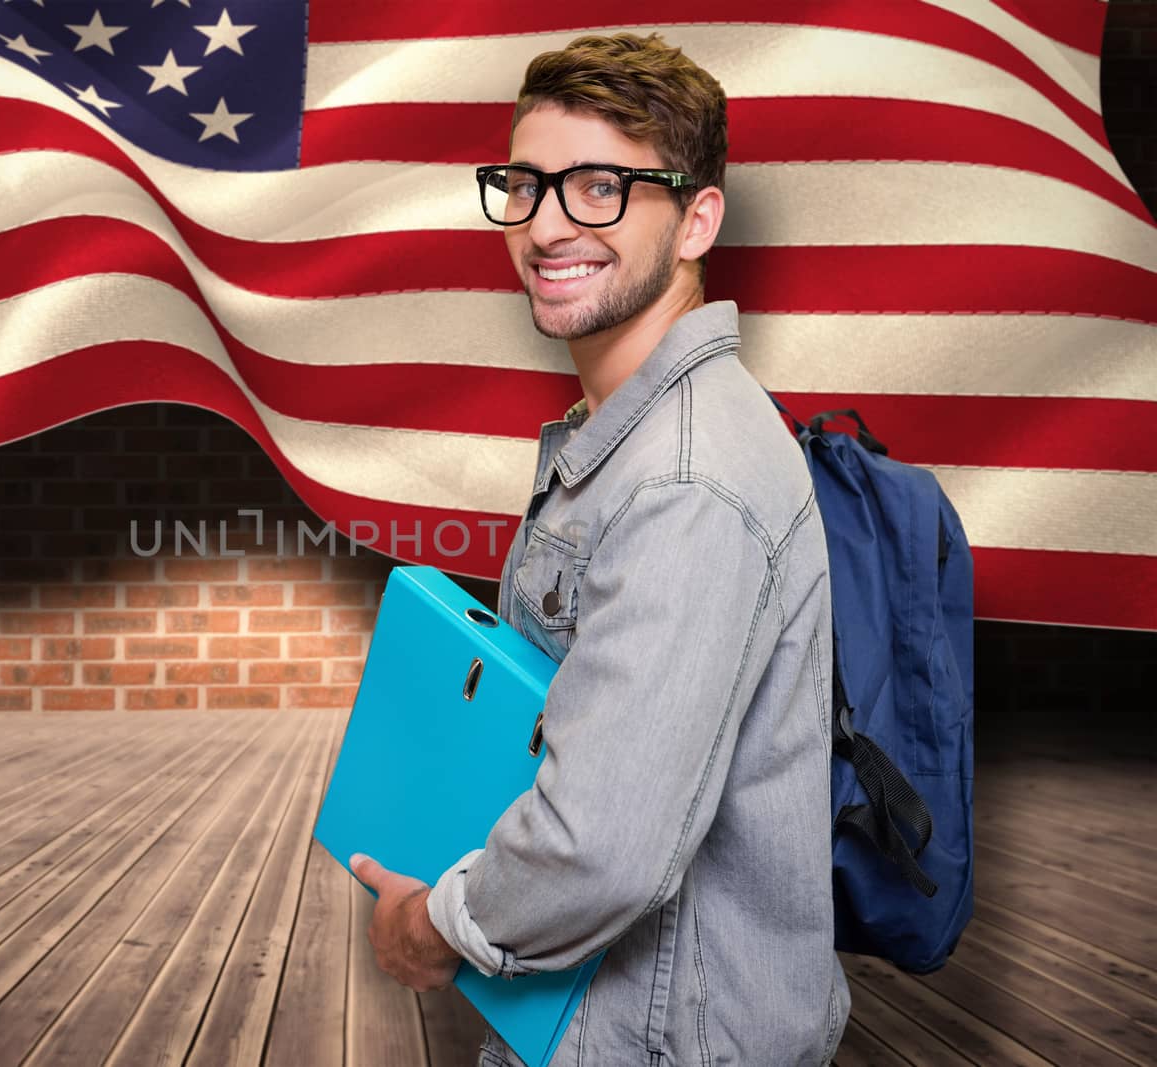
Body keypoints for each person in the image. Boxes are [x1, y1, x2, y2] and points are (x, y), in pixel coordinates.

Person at [350, 31, 849, 1066]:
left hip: (657, 1040)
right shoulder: (625, 434)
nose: (545, 225)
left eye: (599, 189)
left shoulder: (684, 479)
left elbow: (601, 848)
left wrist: (434, 924)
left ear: (696, 218)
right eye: (524, 186)